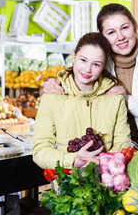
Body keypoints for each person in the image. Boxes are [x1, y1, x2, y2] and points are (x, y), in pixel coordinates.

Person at [44, 3, 138, 148]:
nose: (120, 37)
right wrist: (56, 83)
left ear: (135, 26)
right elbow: (78, 75)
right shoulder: (99, 62)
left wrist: (127, 100)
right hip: (108, 152)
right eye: (111, 32)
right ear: (103, 36)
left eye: (125, 27)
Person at [32, 32, 131, 169]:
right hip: (67, 183)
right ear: (73, 57)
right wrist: (74, 160)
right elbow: (39, 151)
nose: (87, 69)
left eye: (96, 64)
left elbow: (123, 146)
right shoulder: (52, 96)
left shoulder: (115, 98)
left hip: (106, 183)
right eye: (83, 60)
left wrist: (102, 163)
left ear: (104, 66)